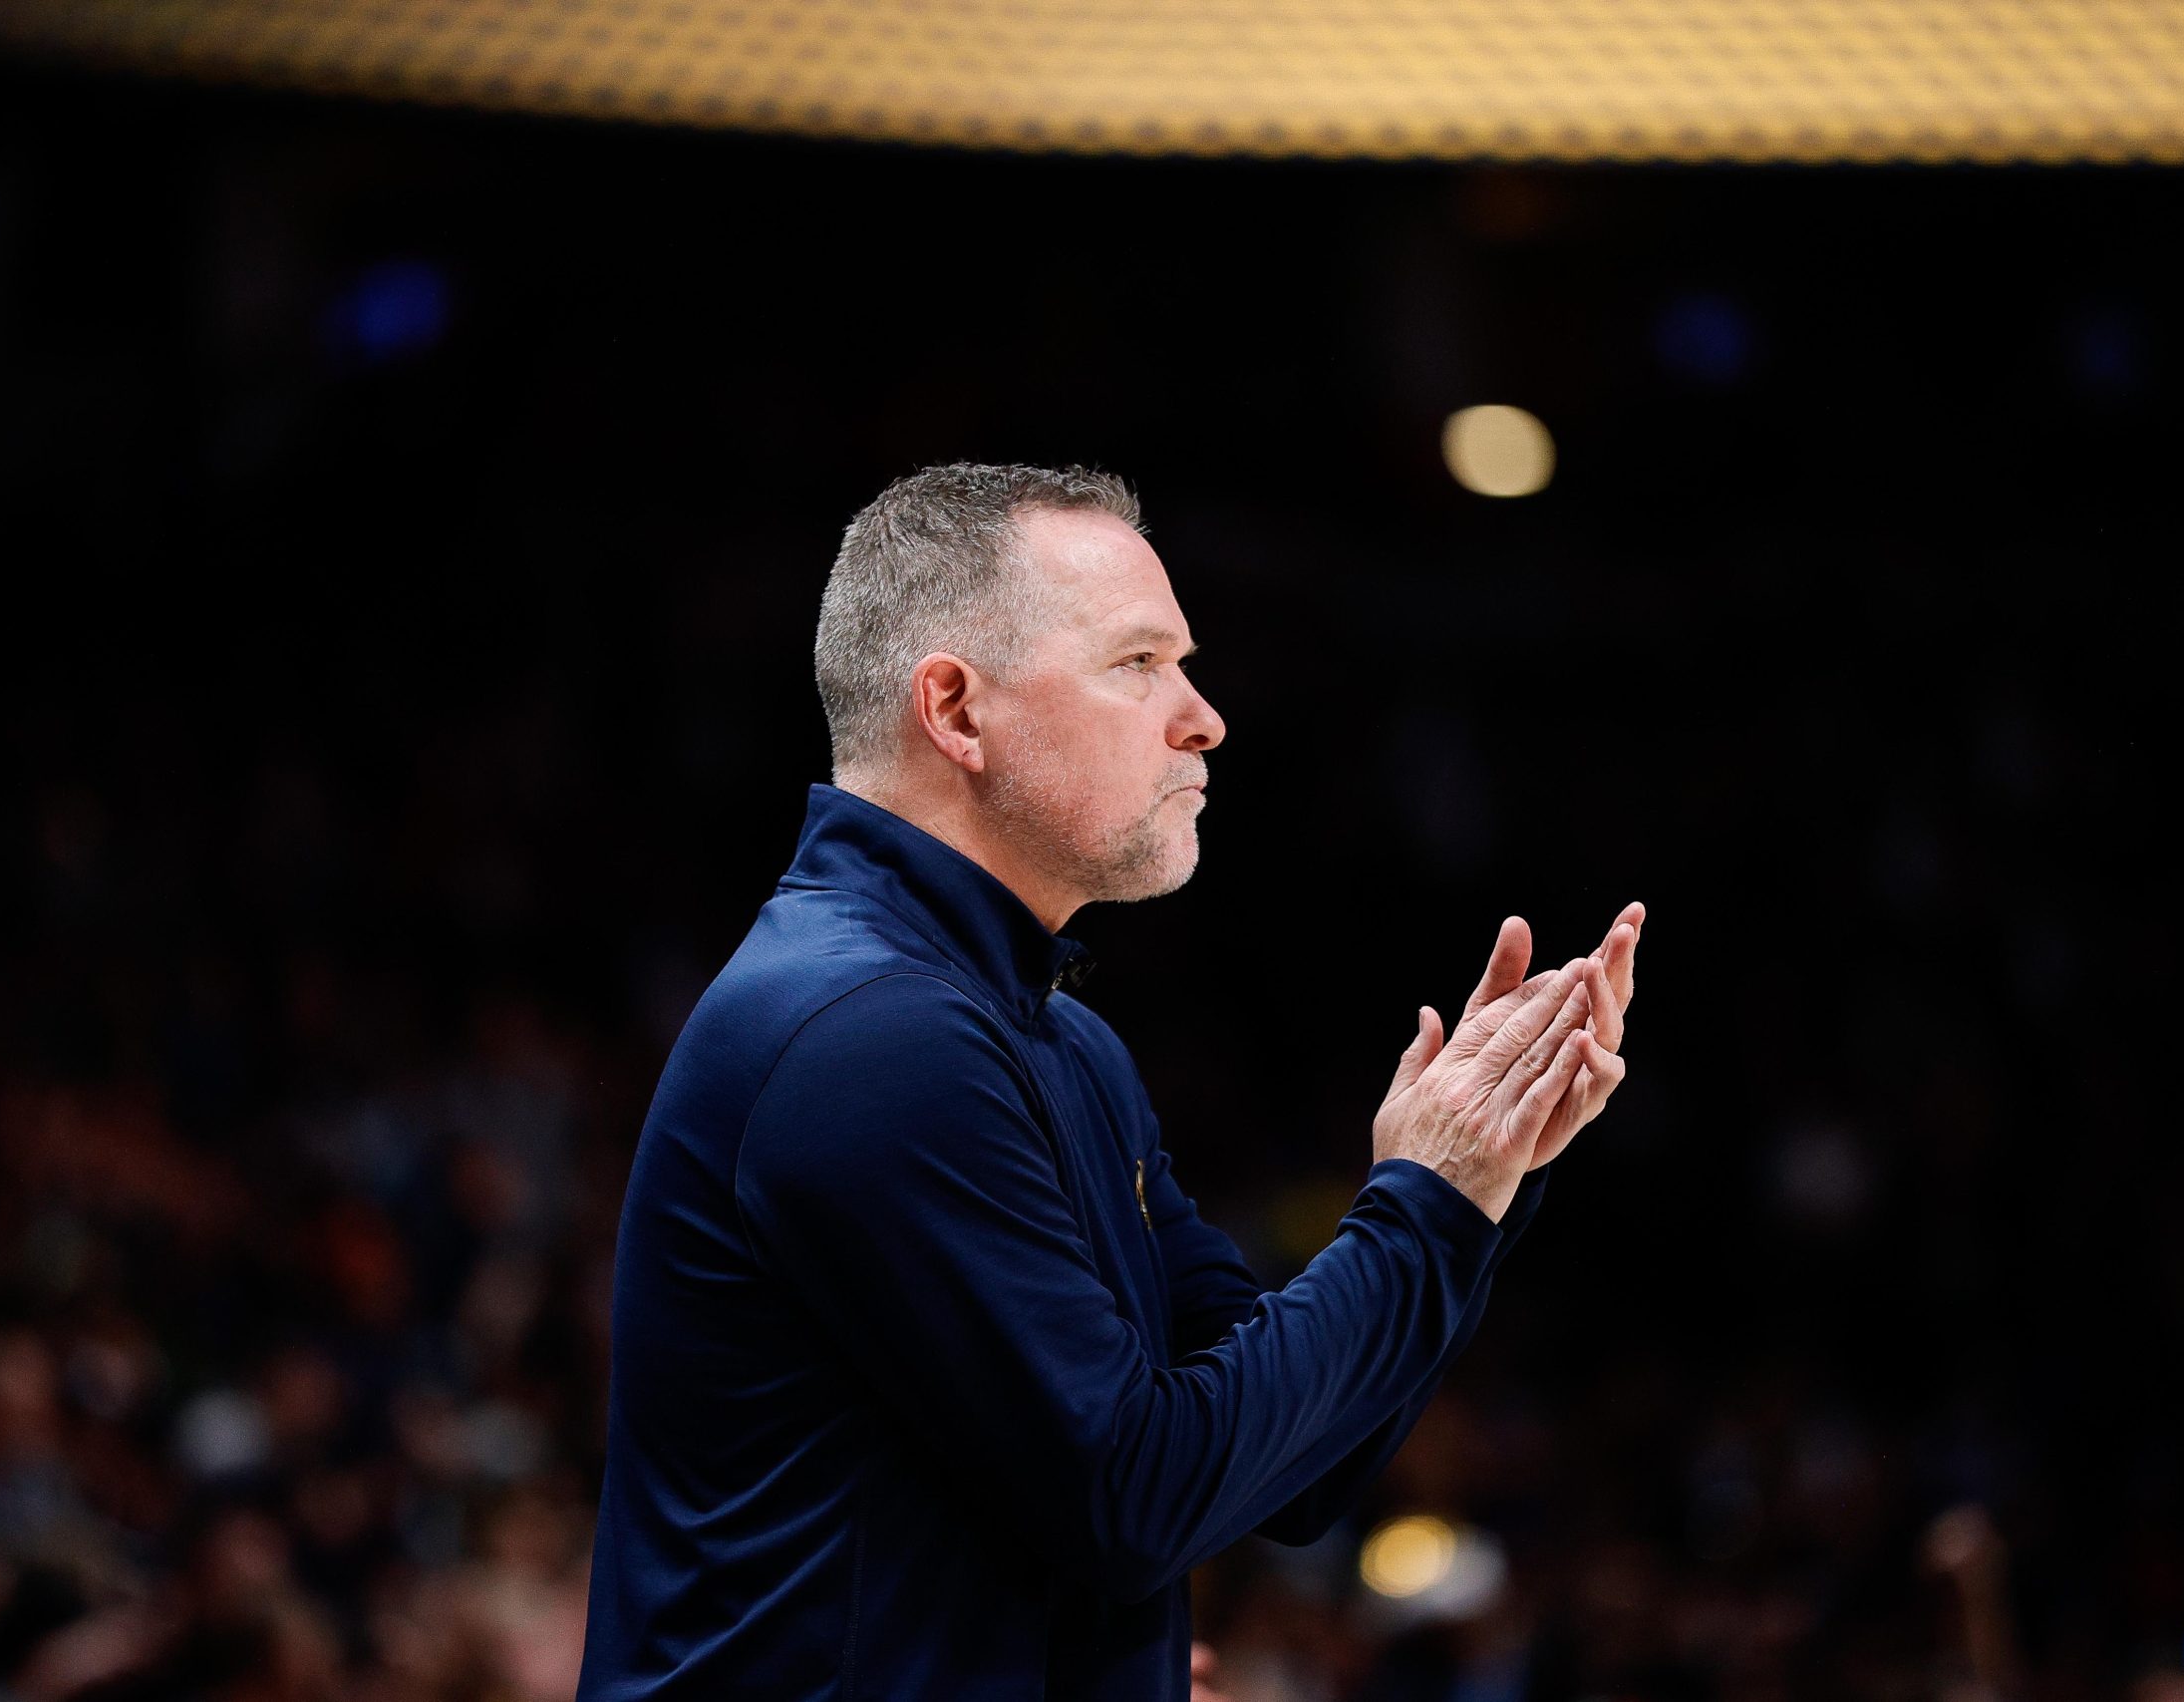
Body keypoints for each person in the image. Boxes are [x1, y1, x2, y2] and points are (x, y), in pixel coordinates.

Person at [574, 463, 1643, 1700]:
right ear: (955, 711)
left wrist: (1478, 1180)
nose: (1204, 718)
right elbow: (1134, 1496)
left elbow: (1293, 1472)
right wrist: (1431, 1198)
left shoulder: (1054, 1040)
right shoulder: (865, 1037)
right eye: (1138, 664)